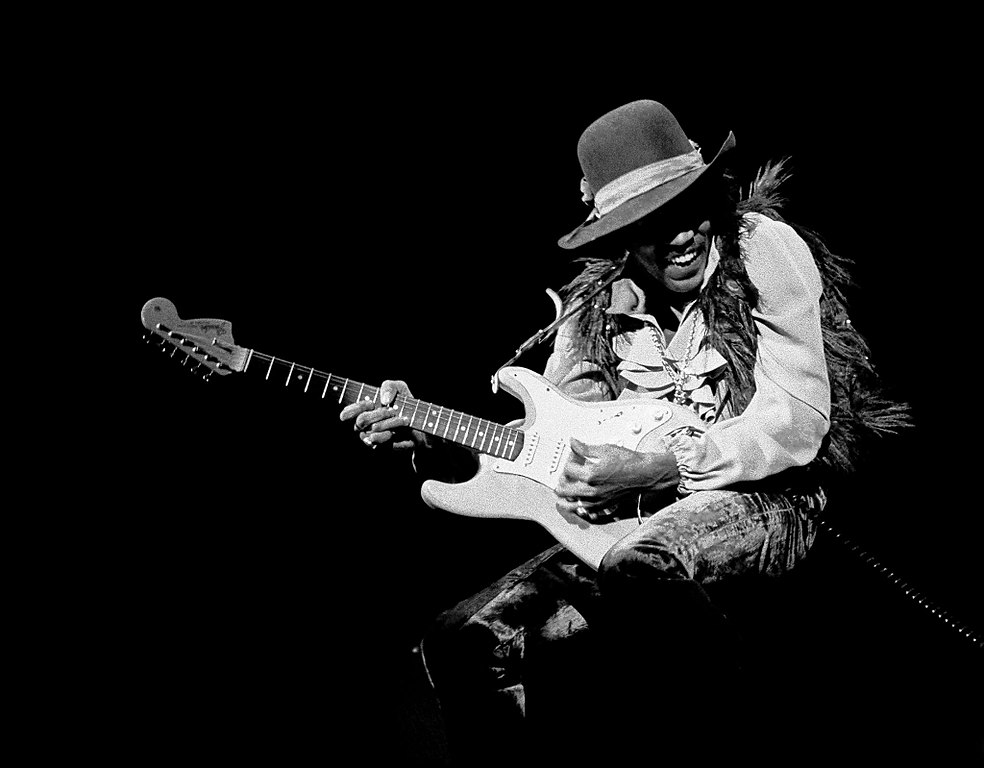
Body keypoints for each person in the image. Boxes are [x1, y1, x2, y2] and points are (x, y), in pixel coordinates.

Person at [340, 100, 906, 763]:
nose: (681, 236)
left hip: (772, 497)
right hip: (634, 521)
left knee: (643, 567)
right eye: (650, 224)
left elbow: (796, 420)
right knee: (460, 637)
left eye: (686, 208)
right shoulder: (592, 309)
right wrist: (429, 433)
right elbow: (552, 439)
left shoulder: (762, 249)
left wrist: (666, 468)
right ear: (616, 238)